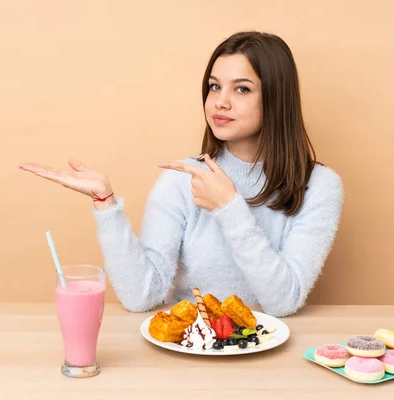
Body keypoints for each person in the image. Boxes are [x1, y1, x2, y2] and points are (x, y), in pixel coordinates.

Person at [19, 31, 343, 317]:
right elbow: (140, 296)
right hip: (190, 354)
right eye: (214, 87)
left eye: (242, 90)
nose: (221, 102)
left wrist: (229, 208)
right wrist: (106, 204)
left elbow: (284, 301)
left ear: (276, 98)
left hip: (272, 361)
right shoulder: (180, 180)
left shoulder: (319, 187)